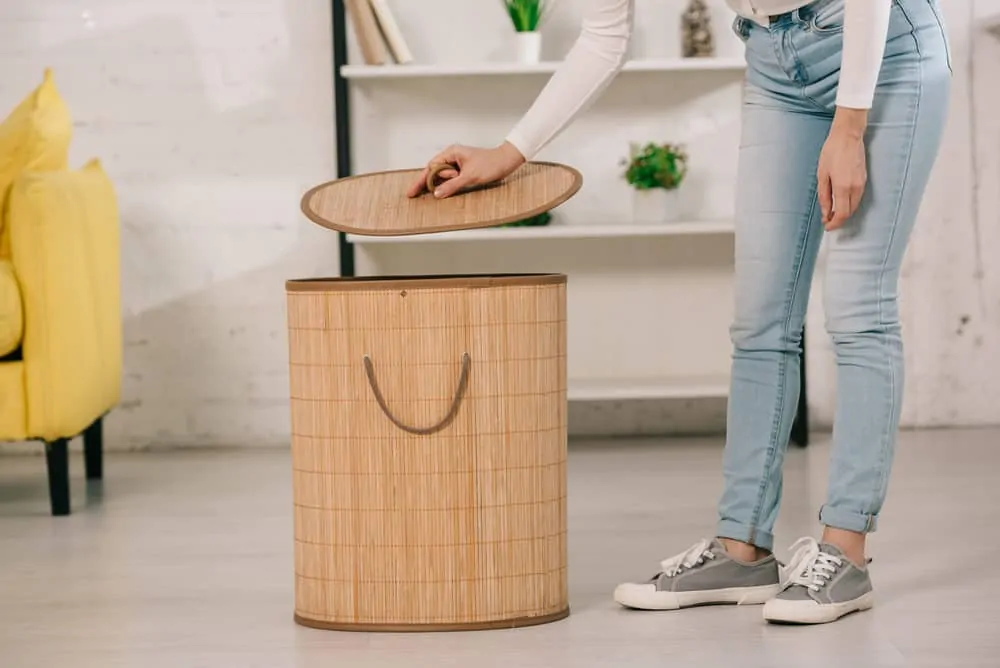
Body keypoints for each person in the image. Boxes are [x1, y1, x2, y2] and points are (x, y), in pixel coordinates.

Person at [407, 0, 951, 625]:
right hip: (775, 62)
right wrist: (509, 152)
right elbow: (606, 38)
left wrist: (850, 128)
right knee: (759, 320)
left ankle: (845, 552)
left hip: (883, 54)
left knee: (857, 308)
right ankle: (741, 547)